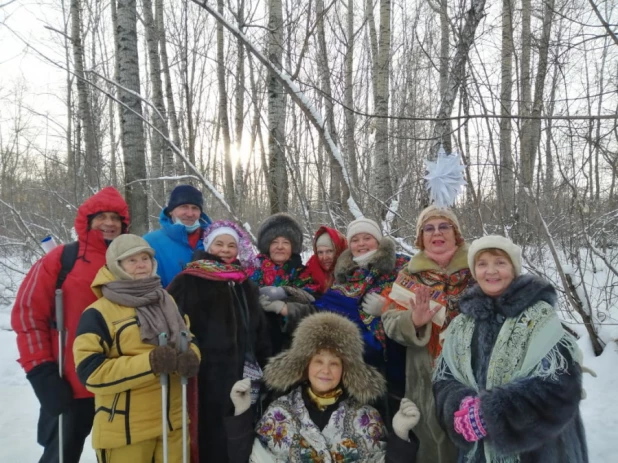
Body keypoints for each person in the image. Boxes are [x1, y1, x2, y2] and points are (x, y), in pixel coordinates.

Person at [433, 235, 588, 463]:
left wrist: (493, 414)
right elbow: (443, 380)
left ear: (514, 269)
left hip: (540, 451)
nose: (491, 271)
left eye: (500, 262)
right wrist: (459, 405)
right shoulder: (461, 324)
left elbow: (561, 388)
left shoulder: (540, 318)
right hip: (478, 453)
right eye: (482, 263)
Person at [11, 186, 129, 463]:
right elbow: (28, 316)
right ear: (87, 221)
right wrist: (40, 371)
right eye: (102, 217)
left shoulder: (132, 261)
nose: (109, 223)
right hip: (69, 384)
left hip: (119, 382)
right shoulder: (61, 259)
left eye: (116, 217)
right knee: (61, 455)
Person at [225, 312, 420, 463]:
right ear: (306, 365)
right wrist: (242, 413)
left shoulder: (366, 417)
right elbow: (244, 459)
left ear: (345, 369)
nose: (325, 370)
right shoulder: (280, 412)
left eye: (334, 363)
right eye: (318, 361)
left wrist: (400, 434)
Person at [73, 234, 201, 462]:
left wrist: (192, 356)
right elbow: (91, 373)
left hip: (173, 425)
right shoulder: (98, 312)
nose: (141, 265)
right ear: (116, 265)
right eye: (131, 260)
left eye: (145, 258)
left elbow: (189, 337)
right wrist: (150, 363)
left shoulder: (166, 300)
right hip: (126, 431)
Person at [167, 220, 272, 463]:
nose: (225, 250)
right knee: (210, 434)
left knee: (238, 433)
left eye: (231, 245)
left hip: (242, 373)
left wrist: (266, 362)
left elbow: (259, 328)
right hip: (206, 376)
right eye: (219, 244)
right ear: (208, 245)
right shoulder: (189, 280)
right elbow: (174, 325)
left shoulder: (244, 282)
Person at [381, 204, 473, 463]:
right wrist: (413, 321)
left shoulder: (479, 267)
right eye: (428, 228)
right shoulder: (409, 275)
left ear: (456, 233)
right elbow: (389, 321)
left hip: (475, 372)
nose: (437, 233)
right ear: (421, 238)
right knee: (435, 443)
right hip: (425, 375)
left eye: (444, 226)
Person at [312, 217, 409, 425]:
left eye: (367, 238)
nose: (361, 244)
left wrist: (388, 306)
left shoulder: (401, 267)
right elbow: (326, 306)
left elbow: (418, 301)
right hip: (353, 361)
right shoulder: (346, 274)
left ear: (378, 241)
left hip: (393, 360)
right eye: (355, 240)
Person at [248, 213, 316, 353]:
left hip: (291, 345)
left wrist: (286, 295)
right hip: (254, 341)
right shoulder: (251, 269)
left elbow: (310, 303)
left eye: (286, 242)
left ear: (293, 247)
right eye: (274, 242)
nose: (280, 247)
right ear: (267, 245)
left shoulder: (302, 273)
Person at [144, 184, 212, 287]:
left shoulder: (214, 241)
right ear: (171, 211)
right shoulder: (150, 242)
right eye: (183, 207)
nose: (190, 213)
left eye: (195, 208)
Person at [304, 225, 348, 294]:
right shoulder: (309, 272)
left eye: (329, 251)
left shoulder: (352, 272)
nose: (324, 257)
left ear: (339, 251)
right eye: (320, 252)